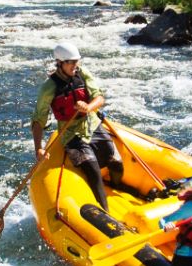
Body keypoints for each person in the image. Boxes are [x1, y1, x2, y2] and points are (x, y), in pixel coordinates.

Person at [31, 42, 127, 211]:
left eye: (77, 61)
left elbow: (99, 97)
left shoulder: (82, 74)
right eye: (71, 62)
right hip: (72, 135)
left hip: (93, 125)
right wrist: (38, 147)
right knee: (93, 172)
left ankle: (117, 188)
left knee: (117, 163)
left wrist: (89, 107)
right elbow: (38, 119)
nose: (75, 65)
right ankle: (107, 213)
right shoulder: (49, 87)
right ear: (60, 63)